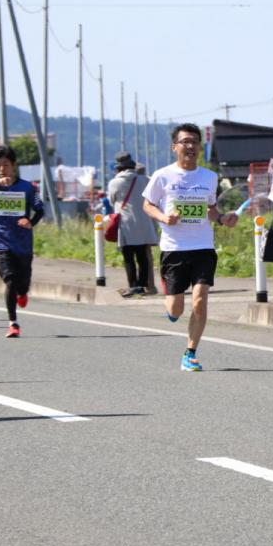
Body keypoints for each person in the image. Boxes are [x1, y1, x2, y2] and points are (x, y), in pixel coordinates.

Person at [143, 123, 238, 372]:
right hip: (174, 248)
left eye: (195, 141)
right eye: (185, 141)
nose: (190, 145)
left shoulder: (209, 177)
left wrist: (222, 219)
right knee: (175, 309)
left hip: (203, 247)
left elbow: (210, 209)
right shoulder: (162, 175)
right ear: (175, 146)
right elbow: (148, 205)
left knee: (200, 299)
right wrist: (164, 218)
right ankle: (171, 302)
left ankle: (190, 352)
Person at [0, 146, 44, 338]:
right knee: (10, 280)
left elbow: (40, 210)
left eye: (5, 164)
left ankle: (23, 293)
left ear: (13, 165)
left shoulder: (28, 187)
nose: (2, 168)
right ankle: (13, 323)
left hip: (22, 243)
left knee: (22, 284)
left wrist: (30, 222)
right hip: (0, 240)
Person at [108, 151, 159, 297]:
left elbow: (112, 200)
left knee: (128, 257)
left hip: (127, 224)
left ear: (118, 169)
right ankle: (143, 286)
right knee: (143, 256)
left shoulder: (115, 182)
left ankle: (133, 285)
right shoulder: (145, 180)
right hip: (144, 223)